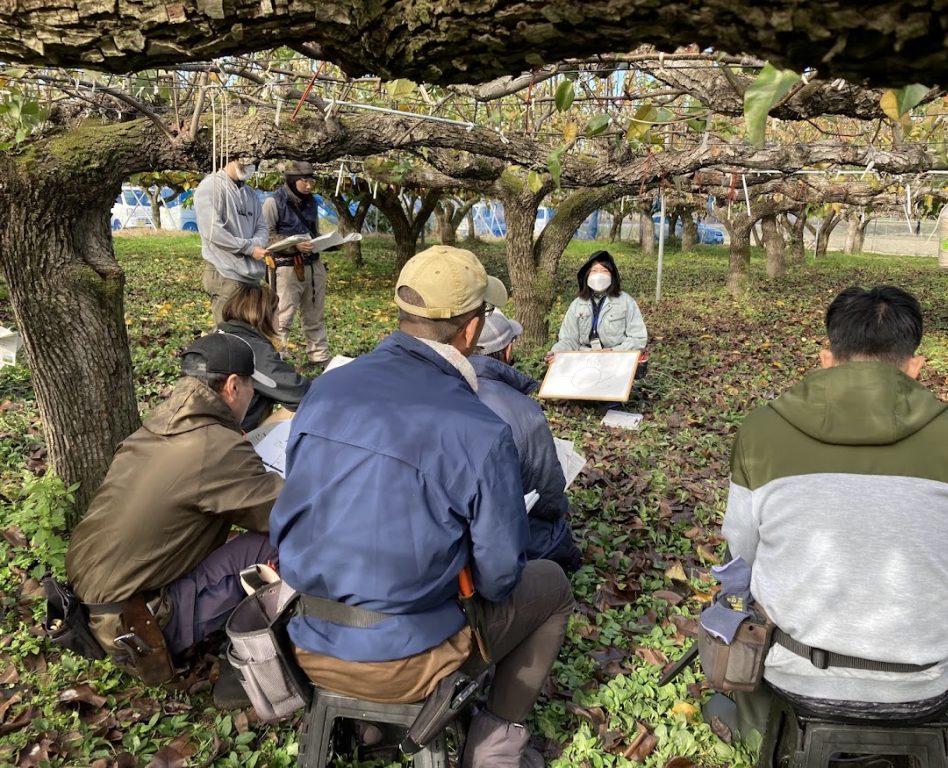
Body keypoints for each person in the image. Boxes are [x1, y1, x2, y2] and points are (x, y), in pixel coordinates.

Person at [271, 245, 574, 768]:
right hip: (406, 658)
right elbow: (501, 578)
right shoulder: (478, 428)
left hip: (305, 639)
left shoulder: (326, 389)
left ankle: (364, 729)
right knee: (552, 588)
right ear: (472, 331)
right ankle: (494, 750)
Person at [721, 285, 948, 740]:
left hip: (797, 675)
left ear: (826, 358)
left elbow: (741, 553)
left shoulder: (762, 430)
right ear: (915, 368)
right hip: (926, 685)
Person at [66, 333, 283, 686]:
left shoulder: (160, 423)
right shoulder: (215, 445)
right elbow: (285, 513)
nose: (252, 398)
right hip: (138, 624)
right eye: (250, 389)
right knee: (281, 542)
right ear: (231, 386)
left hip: (96, 607)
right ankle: (259, 657)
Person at [470, 309, 582, 572]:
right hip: (496, 537)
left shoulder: (439, 386)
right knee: (558, 543)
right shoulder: (521, 410)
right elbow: (547, 492)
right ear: (507, 351)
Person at [262, 160, 330, 364]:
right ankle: (277, 358)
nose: (309, 186)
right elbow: (265, 237)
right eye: (304, 181)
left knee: (314, 314)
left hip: (313, 265)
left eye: (312, 181)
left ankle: (319, 356)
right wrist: (292, 246)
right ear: (292, 181)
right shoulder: (273, 202)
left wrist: (328, 242)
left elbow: (314, 231)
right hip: (287, 267)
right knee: (283, 315)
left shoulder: (312, 202)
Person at [217, 284, 310, 432]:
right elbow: (299, 394)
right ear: (266, 315)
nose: (279, 321)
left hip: (203, 430)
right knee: (300, 409)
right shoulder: (252, 349)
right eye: (277, 313)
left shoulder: (218, 333)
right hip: (232, 437)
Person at [194, 156, 270, 325]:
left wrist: (257, 244)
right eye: (245, 161)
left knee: (250, 333)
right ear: (231, 157)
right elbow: (213, 231)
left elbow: (262, 226)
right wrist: (248, 249)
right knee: (227, 334)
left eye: (254, 163)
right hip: (225, 273)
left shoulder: (250, 193)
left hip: (251, 277)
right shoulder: (210, 187)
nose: (250, 167)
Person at [548, 250, 647, 357]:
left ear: (612, 276)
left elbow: (638, 338)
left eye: (604, 271)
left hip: (617, 358)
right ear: (587, 275)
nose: (599, 275)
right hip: (584, 357)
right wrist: (555, 352)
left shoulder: (626, 302)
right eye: (594, 270)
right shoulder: (577, 304)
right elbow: (568, 339)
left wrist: (615, 351)